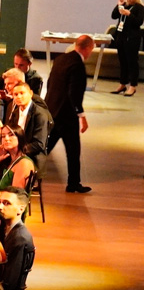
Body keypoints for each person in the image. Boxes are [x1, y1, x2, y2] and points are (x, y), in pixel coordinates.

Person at [44, 34, 95, 193]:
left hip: (53, 111)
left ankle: (26, 174)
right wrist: (82, 117)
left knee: (45, 148)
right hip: (66, 116)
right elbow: (74, 94)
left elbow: (50, 84)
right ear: (88, 48)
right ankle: (73, 183)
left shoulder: (60, 59)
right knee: (73, 150)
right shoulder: (77, 65)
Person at [0, 188, 35, 290]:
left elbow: (10, 281)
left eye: (6, 203)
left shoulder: (19, 238)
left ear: (21, 209)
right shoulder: (3, 229)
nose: (0, 207)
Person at [110, 0, 142, 94]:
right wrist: (118, 5)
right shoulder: (124, 6)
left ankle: (133, 86)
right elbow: (114, 16)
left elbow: (139, 22)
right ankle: (122, 84)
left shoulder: (139, 7)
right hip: (121, 37)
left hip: (132, 38)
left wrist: (129, 14)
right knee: (122, 62)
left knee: (132, 62)